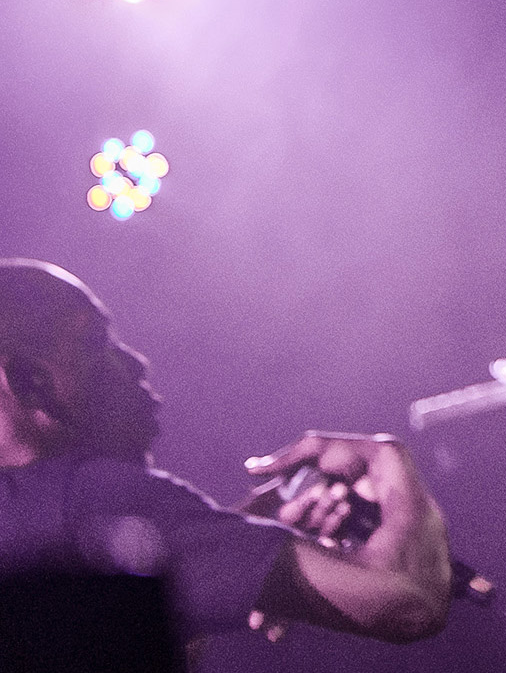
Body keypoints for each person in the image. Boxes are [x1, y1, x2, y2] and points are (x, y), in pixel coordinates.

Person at [0, 258, 452, 654]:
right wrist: (386, 461)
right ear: (28, 381)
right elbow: (408, 601)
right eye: (94, 343)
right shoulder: (96, 498)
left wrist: (249, 545)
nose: (135, 363)